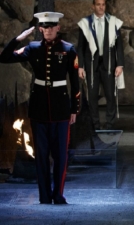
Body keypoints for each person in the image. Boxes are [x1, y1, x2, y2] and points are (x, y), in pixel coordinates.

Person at [0, 12, 80, 204]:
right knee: (41, 156)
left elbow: (75, 82)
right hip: (39, 108)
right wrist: (19, 38)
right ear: (41, 29)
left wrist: (74, 109)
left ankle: (58, 194)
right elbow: (4, 57)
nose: (48, 30)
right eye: (44, 27)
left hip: (61, 108)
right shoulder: (33, 48)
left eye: (52, 26)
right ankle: (44, 196)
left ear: (58, 28)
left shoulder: (68, 49)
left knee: (60, 156)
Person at [77, 0, 124, 130]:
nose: (101, 7)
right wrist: (80, 66)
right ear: (93, 6)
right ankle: (94, 124)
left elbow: (119, 46)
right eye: (98, 4)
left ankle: (110, 124)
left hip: (108, 63)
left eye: (103, 4)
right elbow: (80, 47)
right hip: (91, 63)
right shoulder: (85, 23)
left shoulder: (113, 22)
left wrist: (120, 64)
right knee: (92, 96)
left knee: (110, 94)